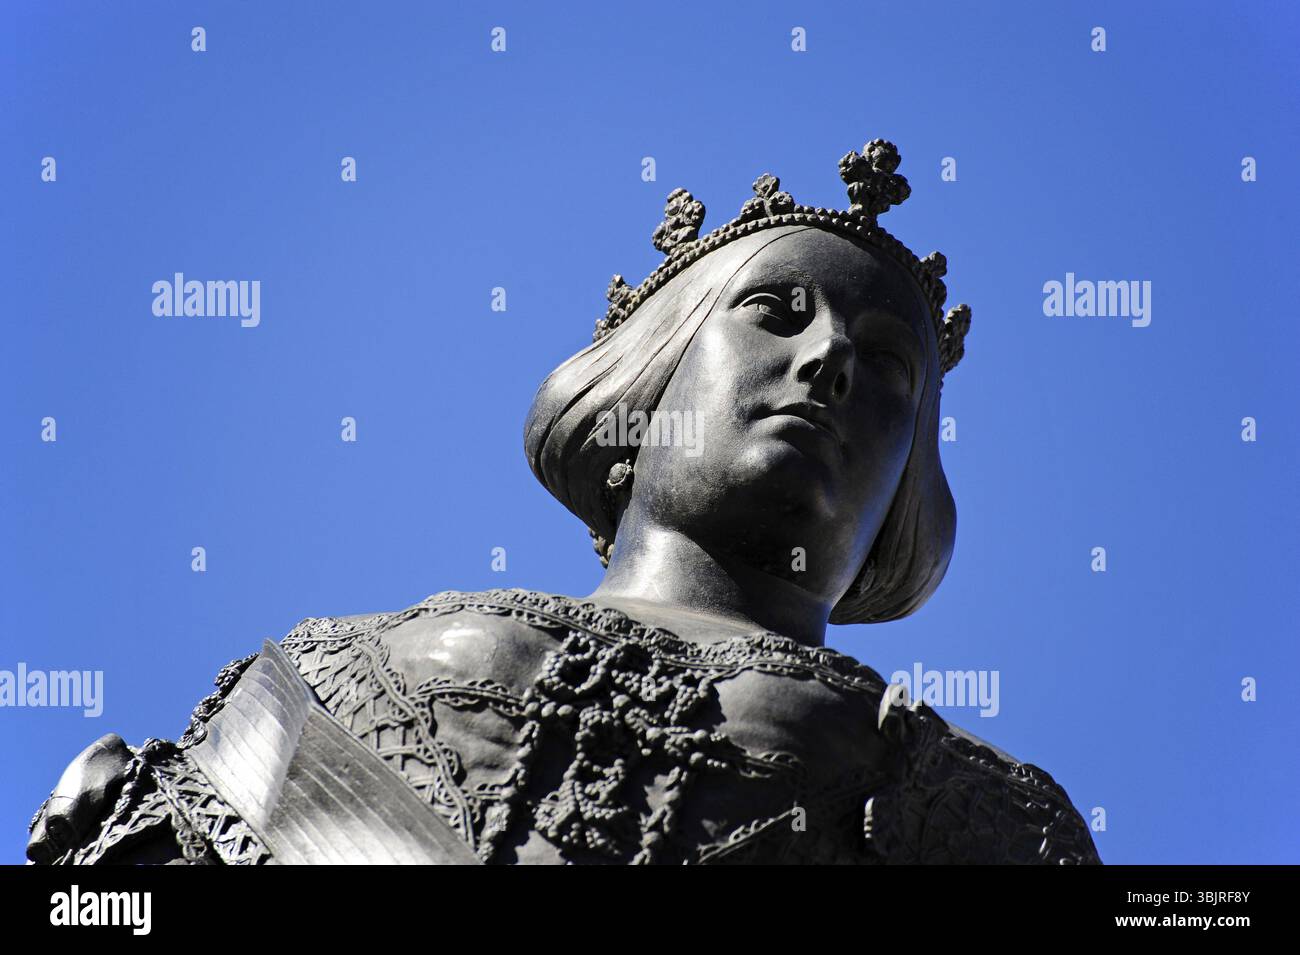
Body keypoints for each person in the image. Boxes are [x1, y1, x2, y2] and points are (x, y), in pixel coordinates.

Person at [27, 141, 1100, 865]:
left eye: (887, 365)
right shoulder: (340, 679)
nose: (826, 359)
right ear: (647, 376)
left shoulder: (991, 814)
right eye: (775, 312)